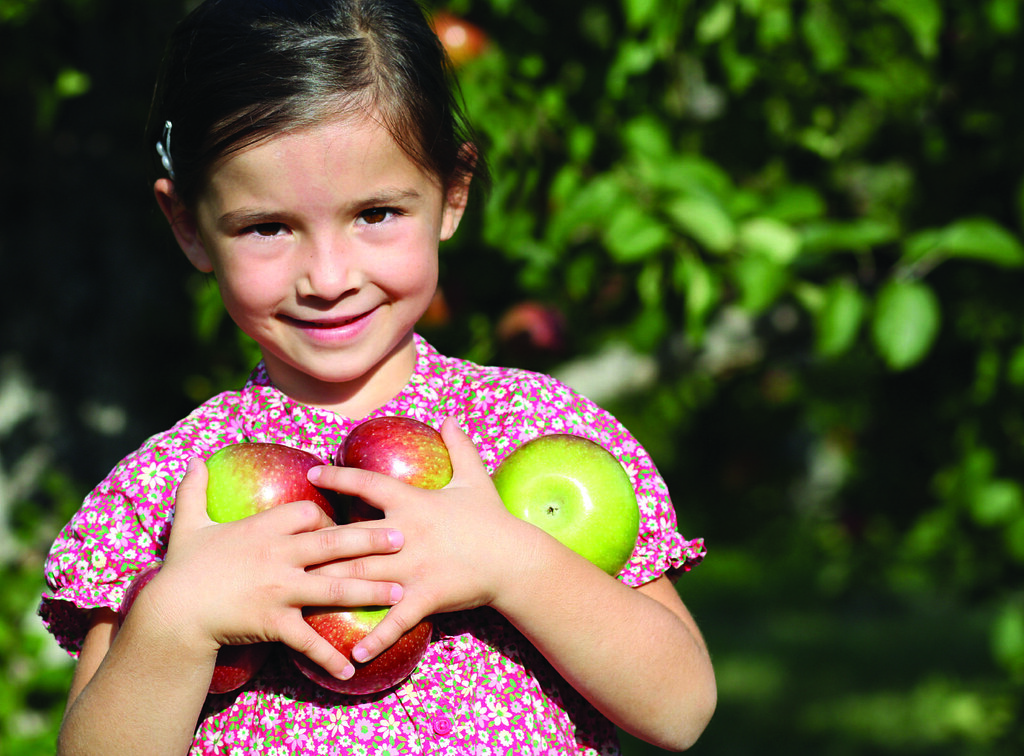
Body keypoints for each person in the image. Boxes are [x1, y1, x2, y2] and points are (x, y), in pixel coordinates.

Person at [40, 0, 716, 753]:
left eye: (376, 214)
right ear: (190, 227)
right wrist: (176, 622)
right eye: (268, 227)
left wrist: (511, 563)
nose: (328, 277)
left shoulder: (530, 430)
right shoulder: (173, 494)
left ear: (452, 193)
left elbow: (679, 708)